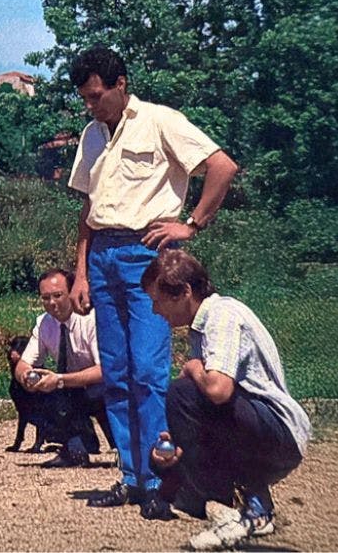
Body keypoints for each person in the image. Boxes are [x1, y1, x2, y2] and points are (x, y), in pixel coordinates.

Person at [66, 46, 239, 519]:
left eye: (97, 96)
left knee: (147, 371)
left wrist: (192, 224)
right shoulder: (91, 134)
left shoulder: (161, 121)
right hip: (102, 255)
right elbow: (88, 208)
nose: (90, 105)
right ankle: (132, 477)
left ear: (120, 84)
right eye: (84, 98)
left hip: (147, 253)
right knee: (116, 374)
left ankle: (165, 479)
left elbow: (222, 166)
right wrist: (80, 272)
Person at [142, 250, 310, 550]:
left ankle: (218, 503)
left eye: (158, 300)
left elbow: (218, 390)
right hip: (260, 430)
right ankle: (252, 509)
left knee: (183, 393)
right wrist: (176, 445)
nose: (155, 310)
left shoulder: (223, 315)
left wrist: (194, 368)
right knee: (172, 439)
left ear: (184, 292)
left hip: (279, 432)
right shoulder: (201, 326)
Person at [14, 269, 114, 468]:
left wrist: (60, 380)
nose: (52, 302)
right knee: (47, 394)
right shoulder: (44, 323)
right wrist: (26, 377)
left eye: (58, 295)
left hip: (105, 385)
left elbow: (105, 370)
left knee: (98, 393)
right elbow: (23, 364)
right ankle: (75, 450)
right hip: (71, 385)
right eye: (46, 298)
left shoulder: (91, 319)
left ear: (71, 293)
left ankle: (123, 447)